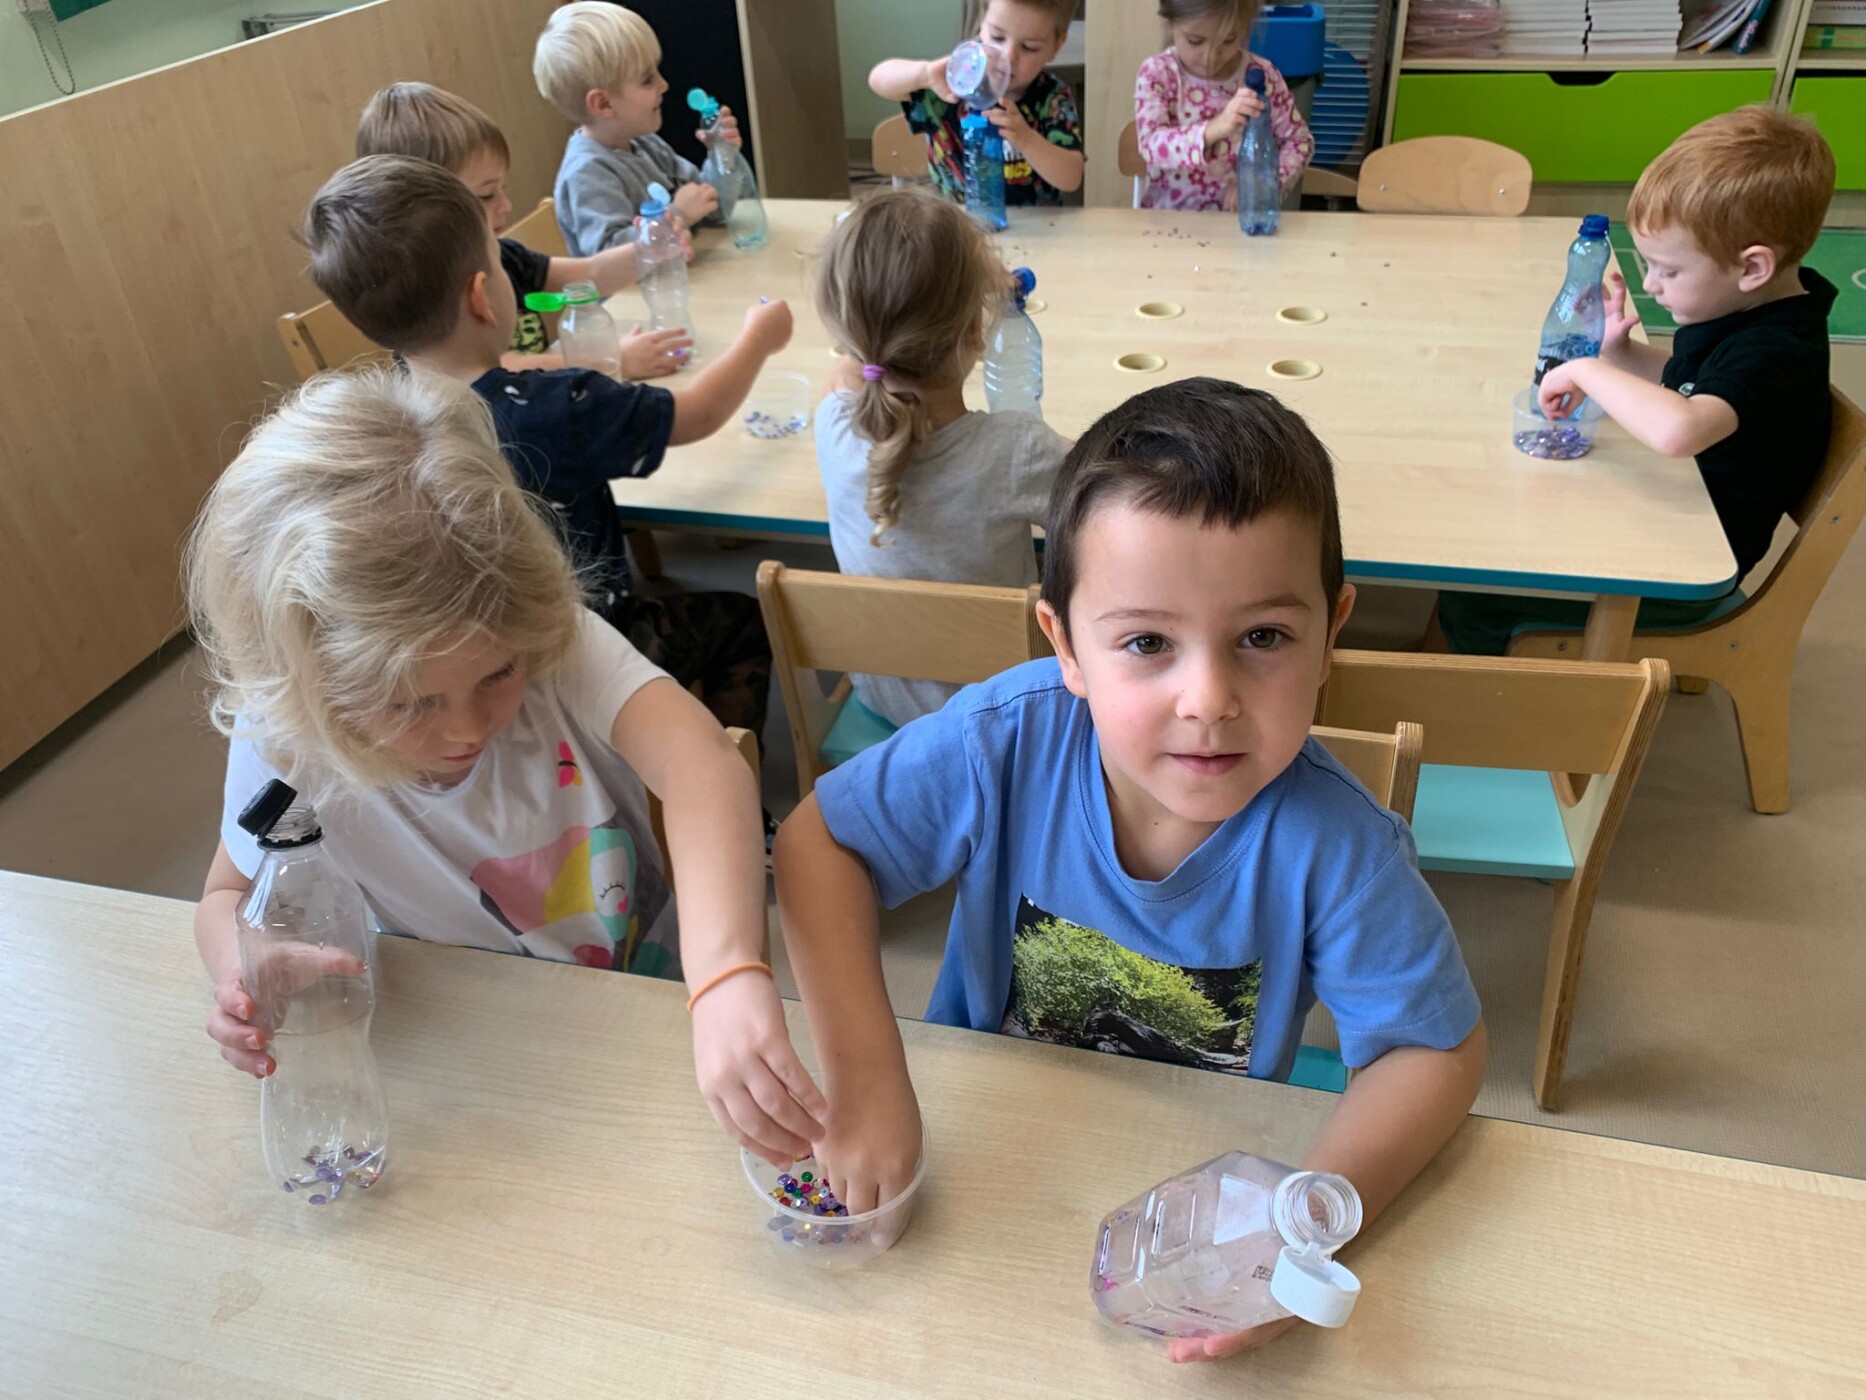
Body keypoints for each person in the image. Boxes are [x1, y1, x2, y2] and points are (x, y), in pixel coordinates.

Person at [774, 378, 1486, 1363]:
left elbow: (1435, 1052)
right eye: (1147, 641)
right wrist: (864, 1079)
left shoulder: (1342, 848)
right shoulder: (1006, 738)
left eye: (1264, 637)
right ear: (1065, 644)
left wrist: (1303, 1229)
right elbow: (820, 843)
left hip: (1182, 1223)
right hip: (980, 1169)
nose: (1209, 698)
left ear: (1333, 634)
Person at [185, 367, 824, 1167]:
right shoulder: (285, 731)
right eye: (410, 704)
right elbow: (225, 896)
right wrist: (242, 970)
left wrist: (726, 974)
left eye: (499, 674)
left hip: (650, 993)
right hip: (467, 1045)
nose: (468, 727)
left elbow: (703, 765)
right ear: (310, 690)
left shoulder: (552, 637)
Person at [303, 154, 786, 742]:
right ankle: (708, 754)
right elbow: (697, 415)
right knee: (746, 621)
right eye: (500, 264)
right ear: (482, 296)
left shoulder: (392, 413)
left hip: (477, 662)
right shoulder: (562, 406)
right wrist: (758, 340)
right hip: (586, 647)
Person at [1439, 105, 1838, 655]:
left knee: (1477, 594)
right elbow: (1694, 385)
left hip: (1683, 573)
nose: (1650, 285)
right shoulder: (1757, 313)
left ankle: (1495, 698)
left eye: (1669, 270)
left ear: (1752, 268)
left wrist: (1586, 369)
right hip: (1675, 518)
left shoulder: (1777, 350)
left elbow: (1681, 428)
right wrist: (1620, 354)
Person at [813, 188, 1071, 727]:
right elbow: (1113, 506)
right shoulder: (1018, 451)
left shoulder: (833, 426)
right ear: (977, 333)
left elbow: (846, 376)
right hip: (1002, 716)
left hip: (886, 704)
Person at [355, 80, 690, 375]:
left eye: (502, 188)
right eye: (487, 195)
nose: (506, 206)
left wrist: (650, 248)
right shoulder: (427, 298)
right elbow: (495, 368)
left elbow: (591, 274)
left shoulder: (502, 256)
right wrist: (608, 360)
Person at [534, 2, 744, 257]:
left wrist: (722, 156)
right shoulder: (587, 175)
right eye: (647, 80)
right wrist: (678, 215)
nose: (664, 85)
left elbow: (712, 208)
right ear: (603, 104)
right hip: (646, 285)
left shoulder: (647, 145)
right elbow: (611, 258)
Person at [868, 0, 1084, 206]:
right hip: (957, 223)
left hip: (1037, 225)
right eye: (997, 37)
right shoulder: (954, 83)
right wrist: (925, 74)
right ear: (982, 24)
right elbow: (877, 80)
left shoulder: (1053, 98)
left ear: (1056, 46)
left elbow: (1071, 178)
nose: (1008, 56)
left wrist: (1027, 139)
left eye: (1029, 47)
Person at [1133, 0, 1313, 211]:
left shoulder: (1262, 77)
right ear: (1171, 23)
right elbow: (1151, 146)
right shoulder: (1158, 73)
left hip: (1238, 223)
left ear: (1244, 28)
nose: (1209, 57)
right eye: (1195, 41)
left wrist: (1264, 183)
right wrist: (1212, 129)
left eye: (1228, 40)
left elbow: (1299, 142)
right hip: (1168, 220)